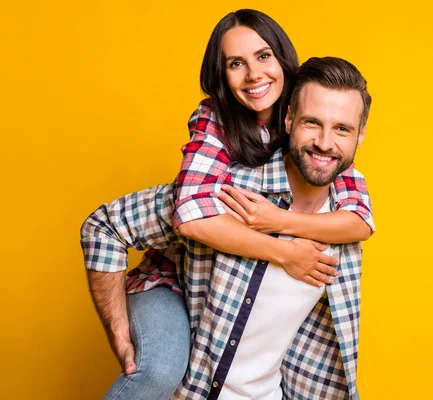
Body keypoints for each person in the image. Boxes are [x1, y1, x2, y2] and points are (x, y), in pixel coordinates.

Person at [84, 7, 372, 399]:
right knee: (158, 370)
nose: (254, 74)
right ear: (290, 120)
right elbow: (188, 215)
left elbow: (360, 219)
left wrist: (279, 221)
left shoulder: (322, 137)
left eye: (264, 56)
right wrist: (282, 252)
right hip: (171, 281)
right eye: (236, 63)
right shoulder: (220, 142)